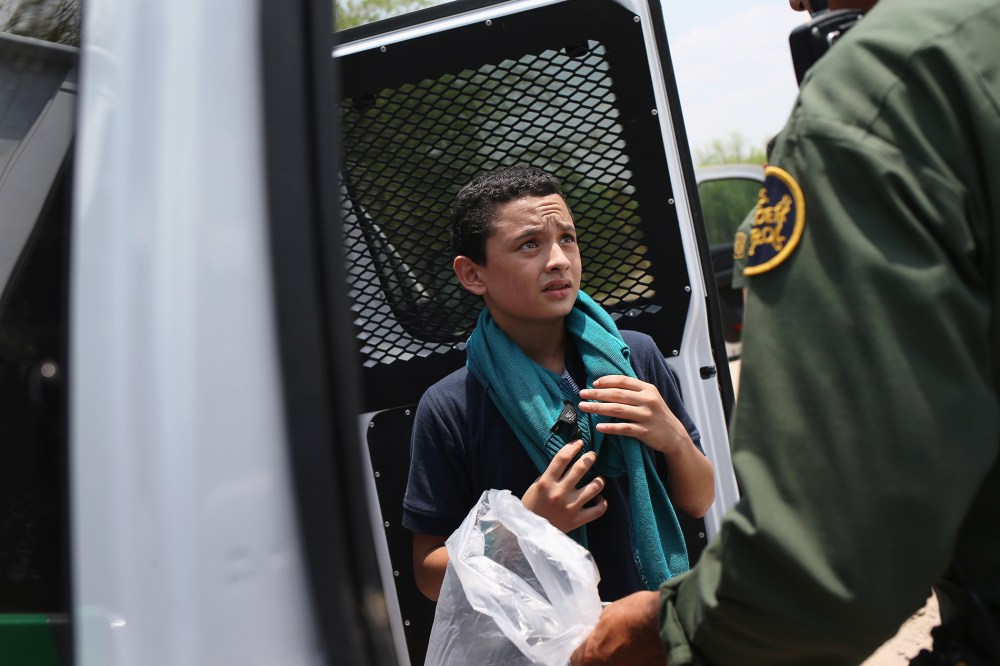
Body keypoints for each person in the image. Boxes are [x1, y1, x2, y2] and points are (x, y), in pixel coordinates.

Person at [572, 0, 1000, 663]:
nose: (796, 2)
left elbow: (834, 563)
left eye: (568, 237)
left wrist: (664, 633)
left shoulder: (886, 90)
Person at [402, 165, 715, 603]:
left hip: (656, 625)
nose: (558, 260)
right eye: (529, 244)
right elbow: (429, 574)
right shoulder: (450, 406)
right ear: (473, 275)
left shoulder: (634, 357)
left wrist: (675, 439)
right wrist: (527, 527)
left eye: (566, 238)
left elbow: (700, 501)